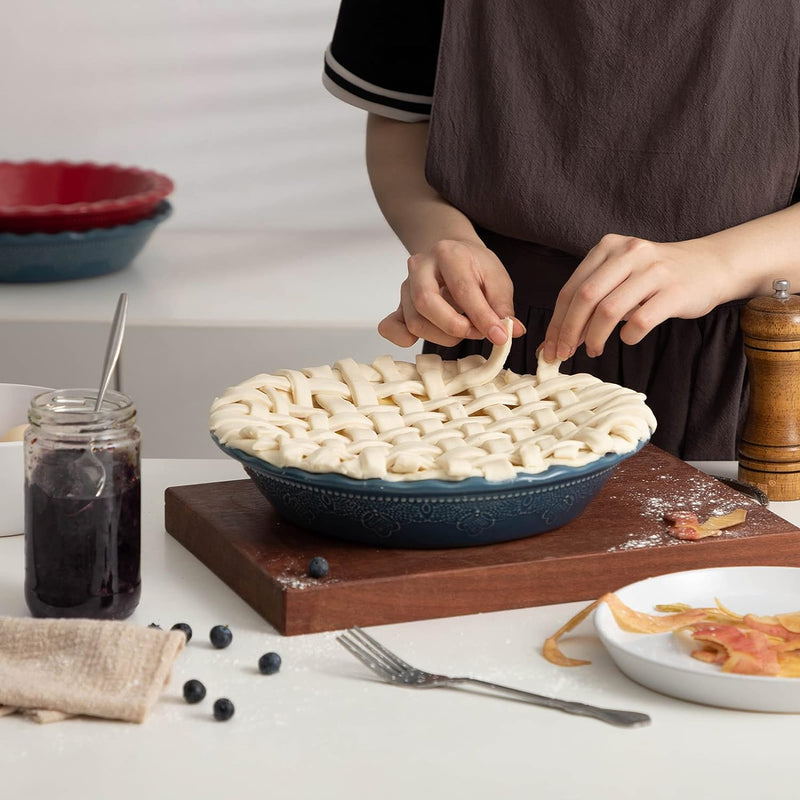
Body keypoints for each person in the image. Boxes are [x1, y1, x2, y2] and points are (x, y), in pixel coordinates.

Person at [322, 1, 800, 461]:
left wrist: (721, 263)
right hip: (495, 355)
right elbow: (400, 117)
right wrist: (446, 242)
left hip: (764, 362)